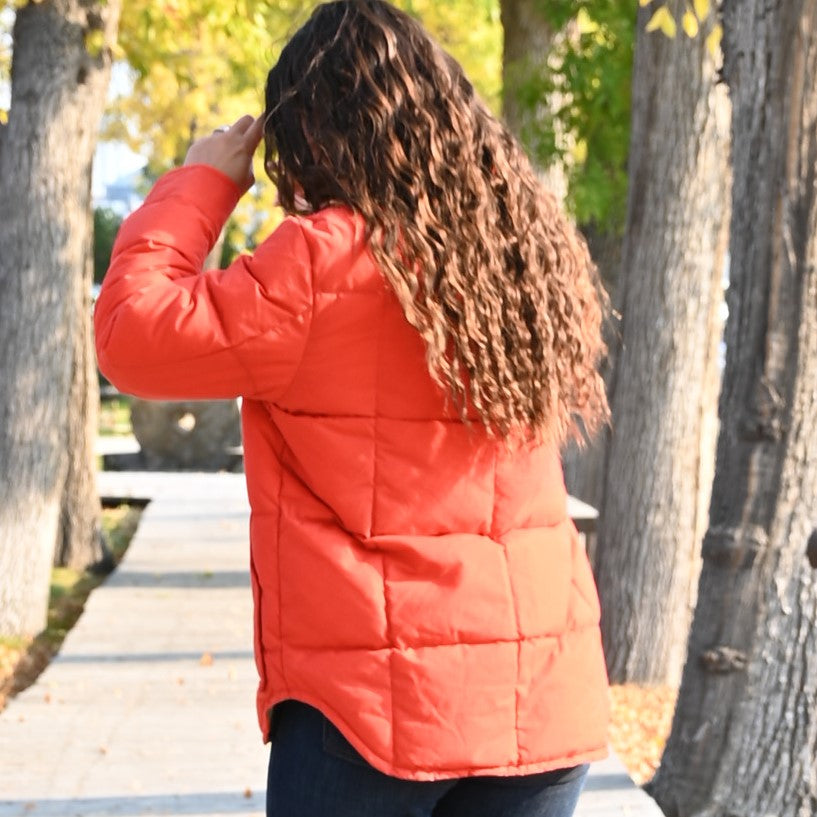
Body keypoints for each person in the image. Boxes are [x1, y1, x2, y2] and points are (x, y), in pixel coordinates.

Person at [94, 1, 611, 814]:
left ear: (316, 137)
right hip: (536, 702)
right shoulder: (521, 249)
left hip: (372, 708)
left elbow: (131, 334)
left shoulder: (321, 261)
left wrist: (201, 182)